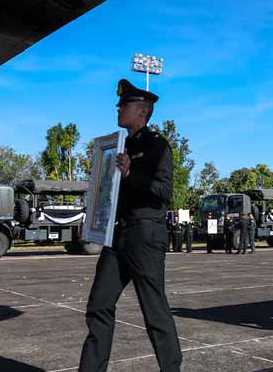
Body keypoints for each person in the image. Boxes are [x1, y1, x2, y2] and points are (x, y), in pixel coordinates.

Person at [79, 78, 181, 372]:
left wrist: (129, 174)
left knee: (154, 310)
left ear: (140, 110)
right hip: (118, 234)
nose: (118, 108)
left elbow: (163, 192)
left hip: (145, 234)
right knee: (98, 305)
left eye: (123, 104)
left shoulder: (156, 146)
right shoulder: (119, 145)